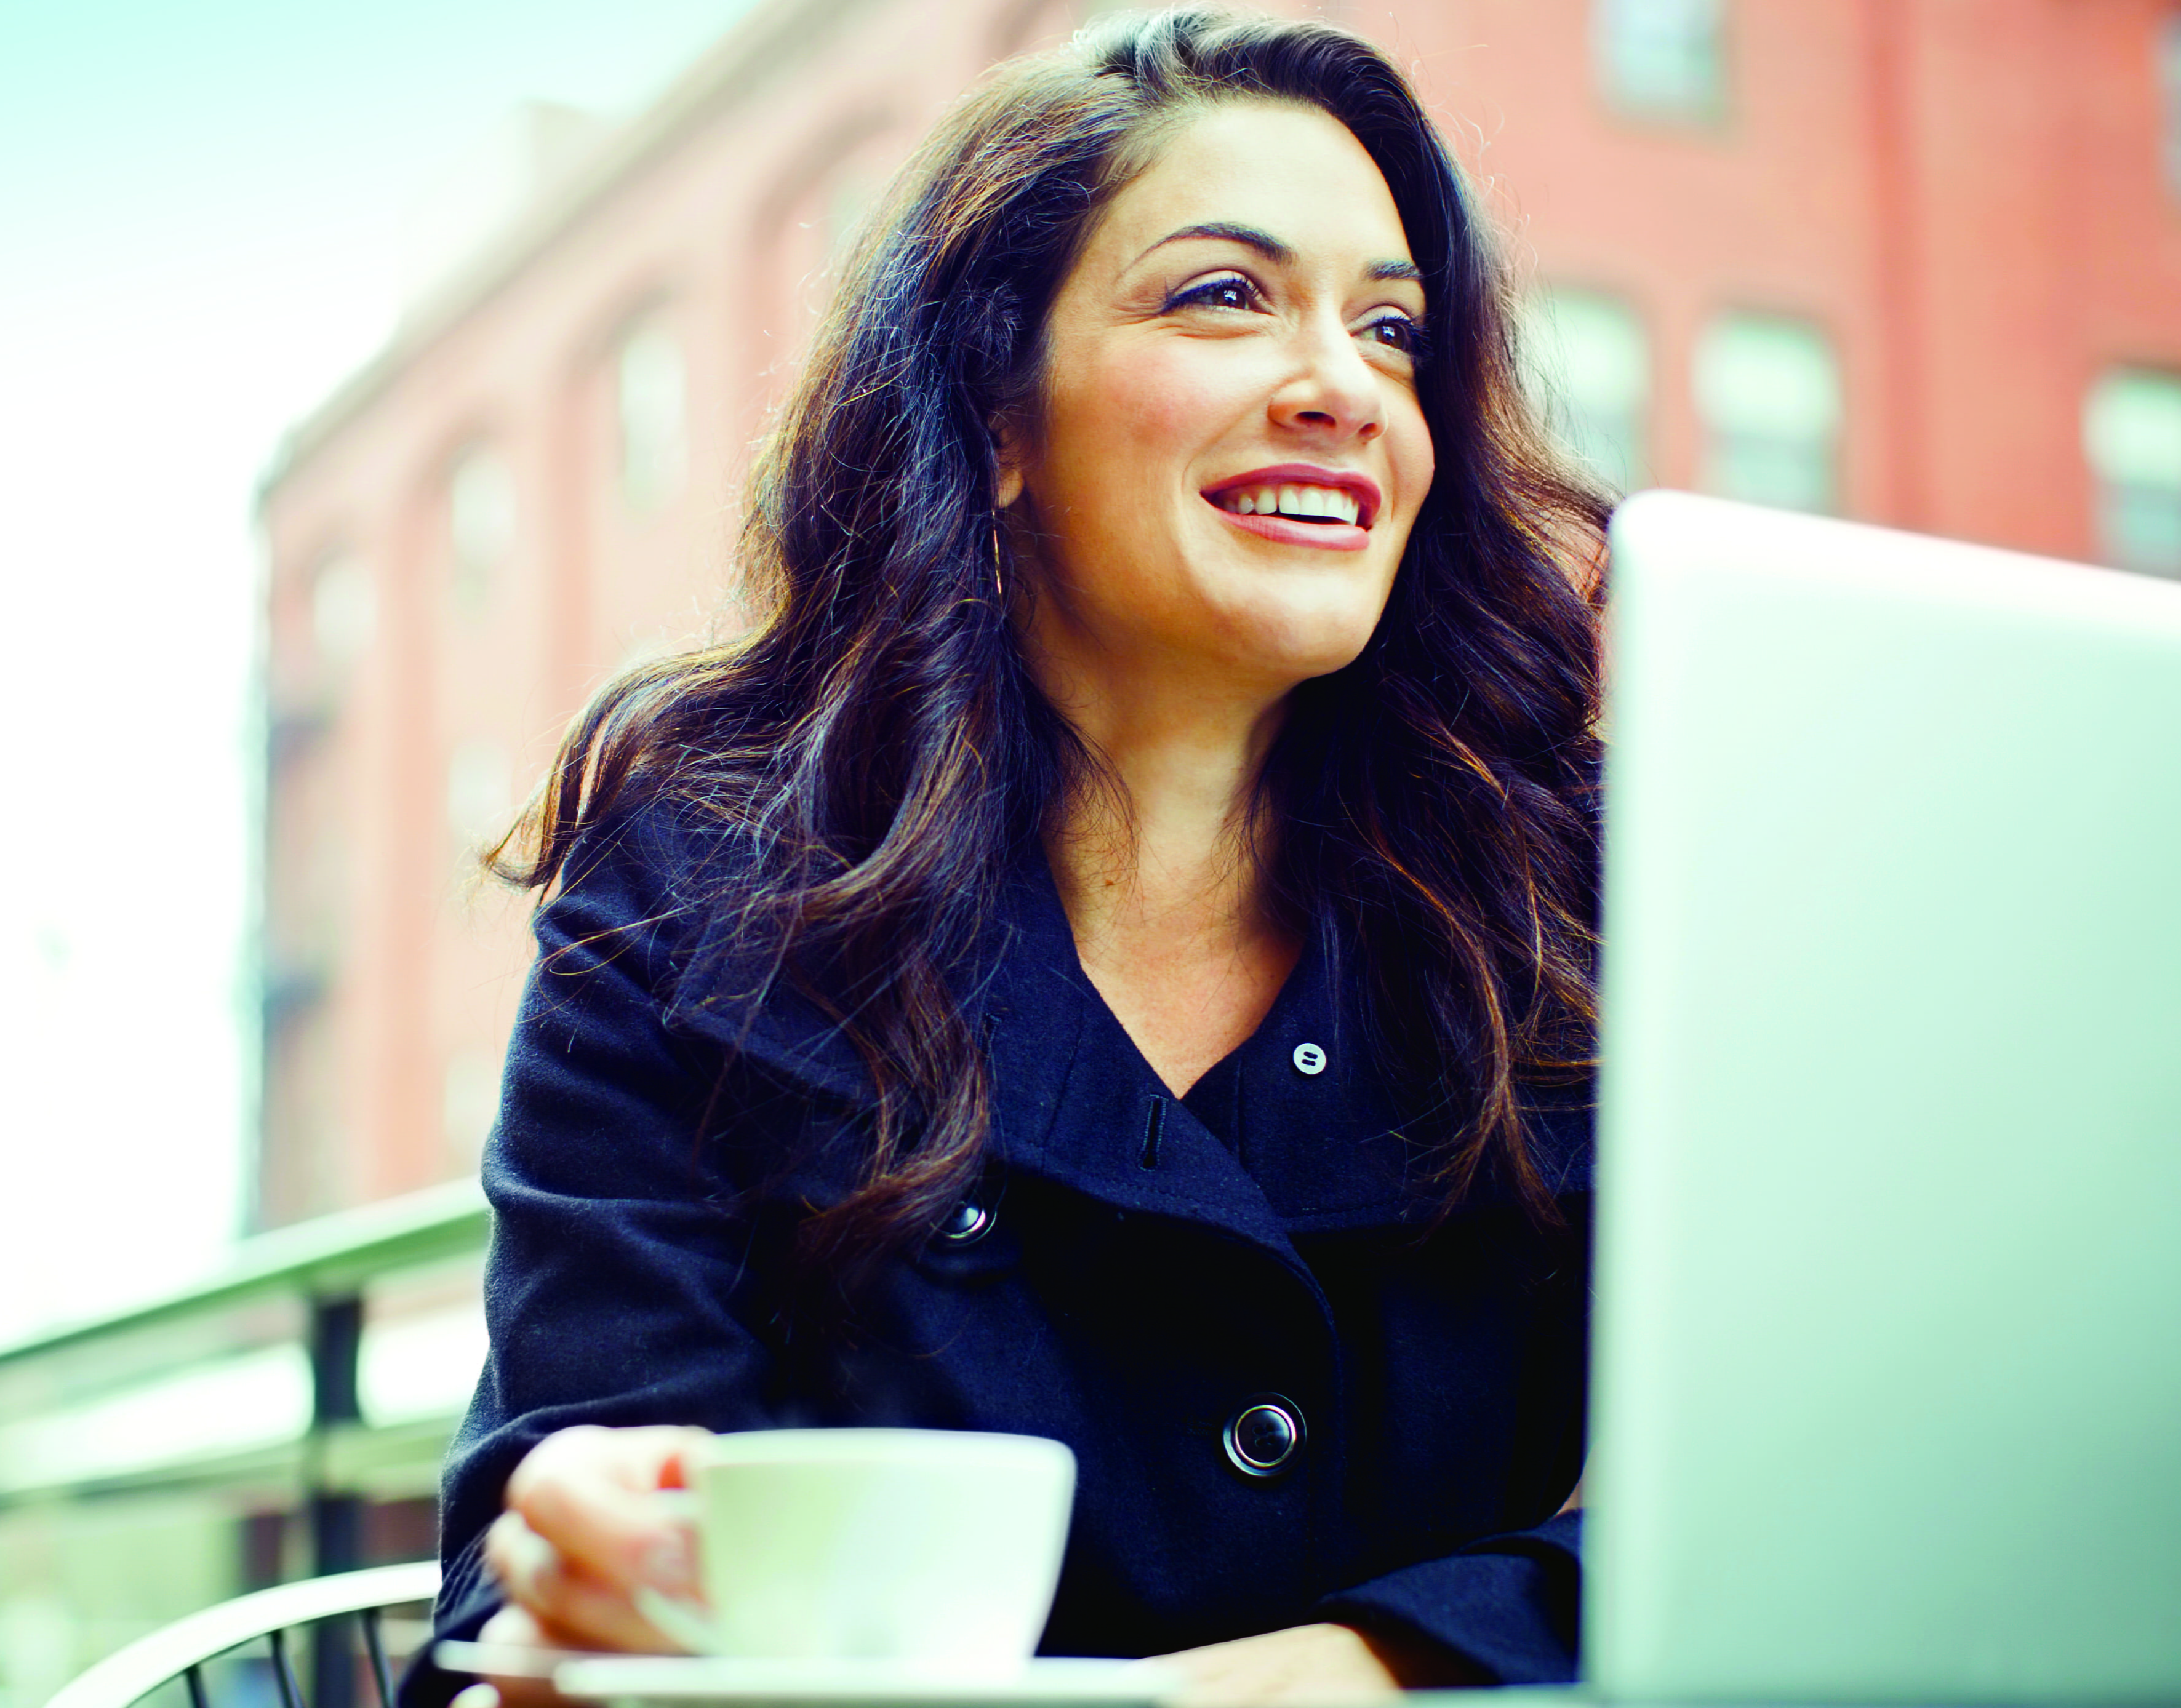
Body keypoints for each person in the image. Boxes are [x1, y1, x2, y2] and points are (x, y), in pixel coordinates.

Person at [408, 9, 1606, 1702]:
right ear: (995, 418)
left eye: (1394, 327)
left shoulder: (1587, 896)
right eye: (1221, 294)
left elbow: (1812, 1501)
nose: (1343, 385)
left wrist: (1329, 1676)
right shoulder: (693, 879)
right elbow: (539, 1575)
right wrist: (587, 1574)